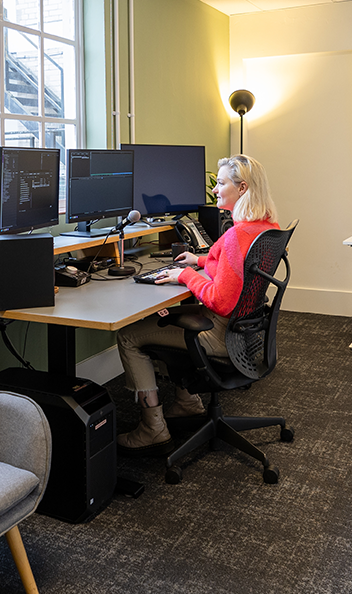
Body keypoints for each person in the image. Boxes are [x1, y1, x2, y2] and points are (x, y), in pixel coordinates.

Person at [115, 154, 280, 456]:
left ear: (242, 188)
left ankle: (153, 428)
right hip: (244, 330)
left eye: (220, 183)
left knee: (128, 335)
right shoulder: (263, 227)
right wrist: (200, 261)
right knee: (170, 314)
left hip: (220, 333)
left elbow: (220, 299)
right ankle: (187, 402)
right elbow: (234, 267)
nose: (215, 189)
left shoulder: (236, 236)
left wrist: (187, 275)